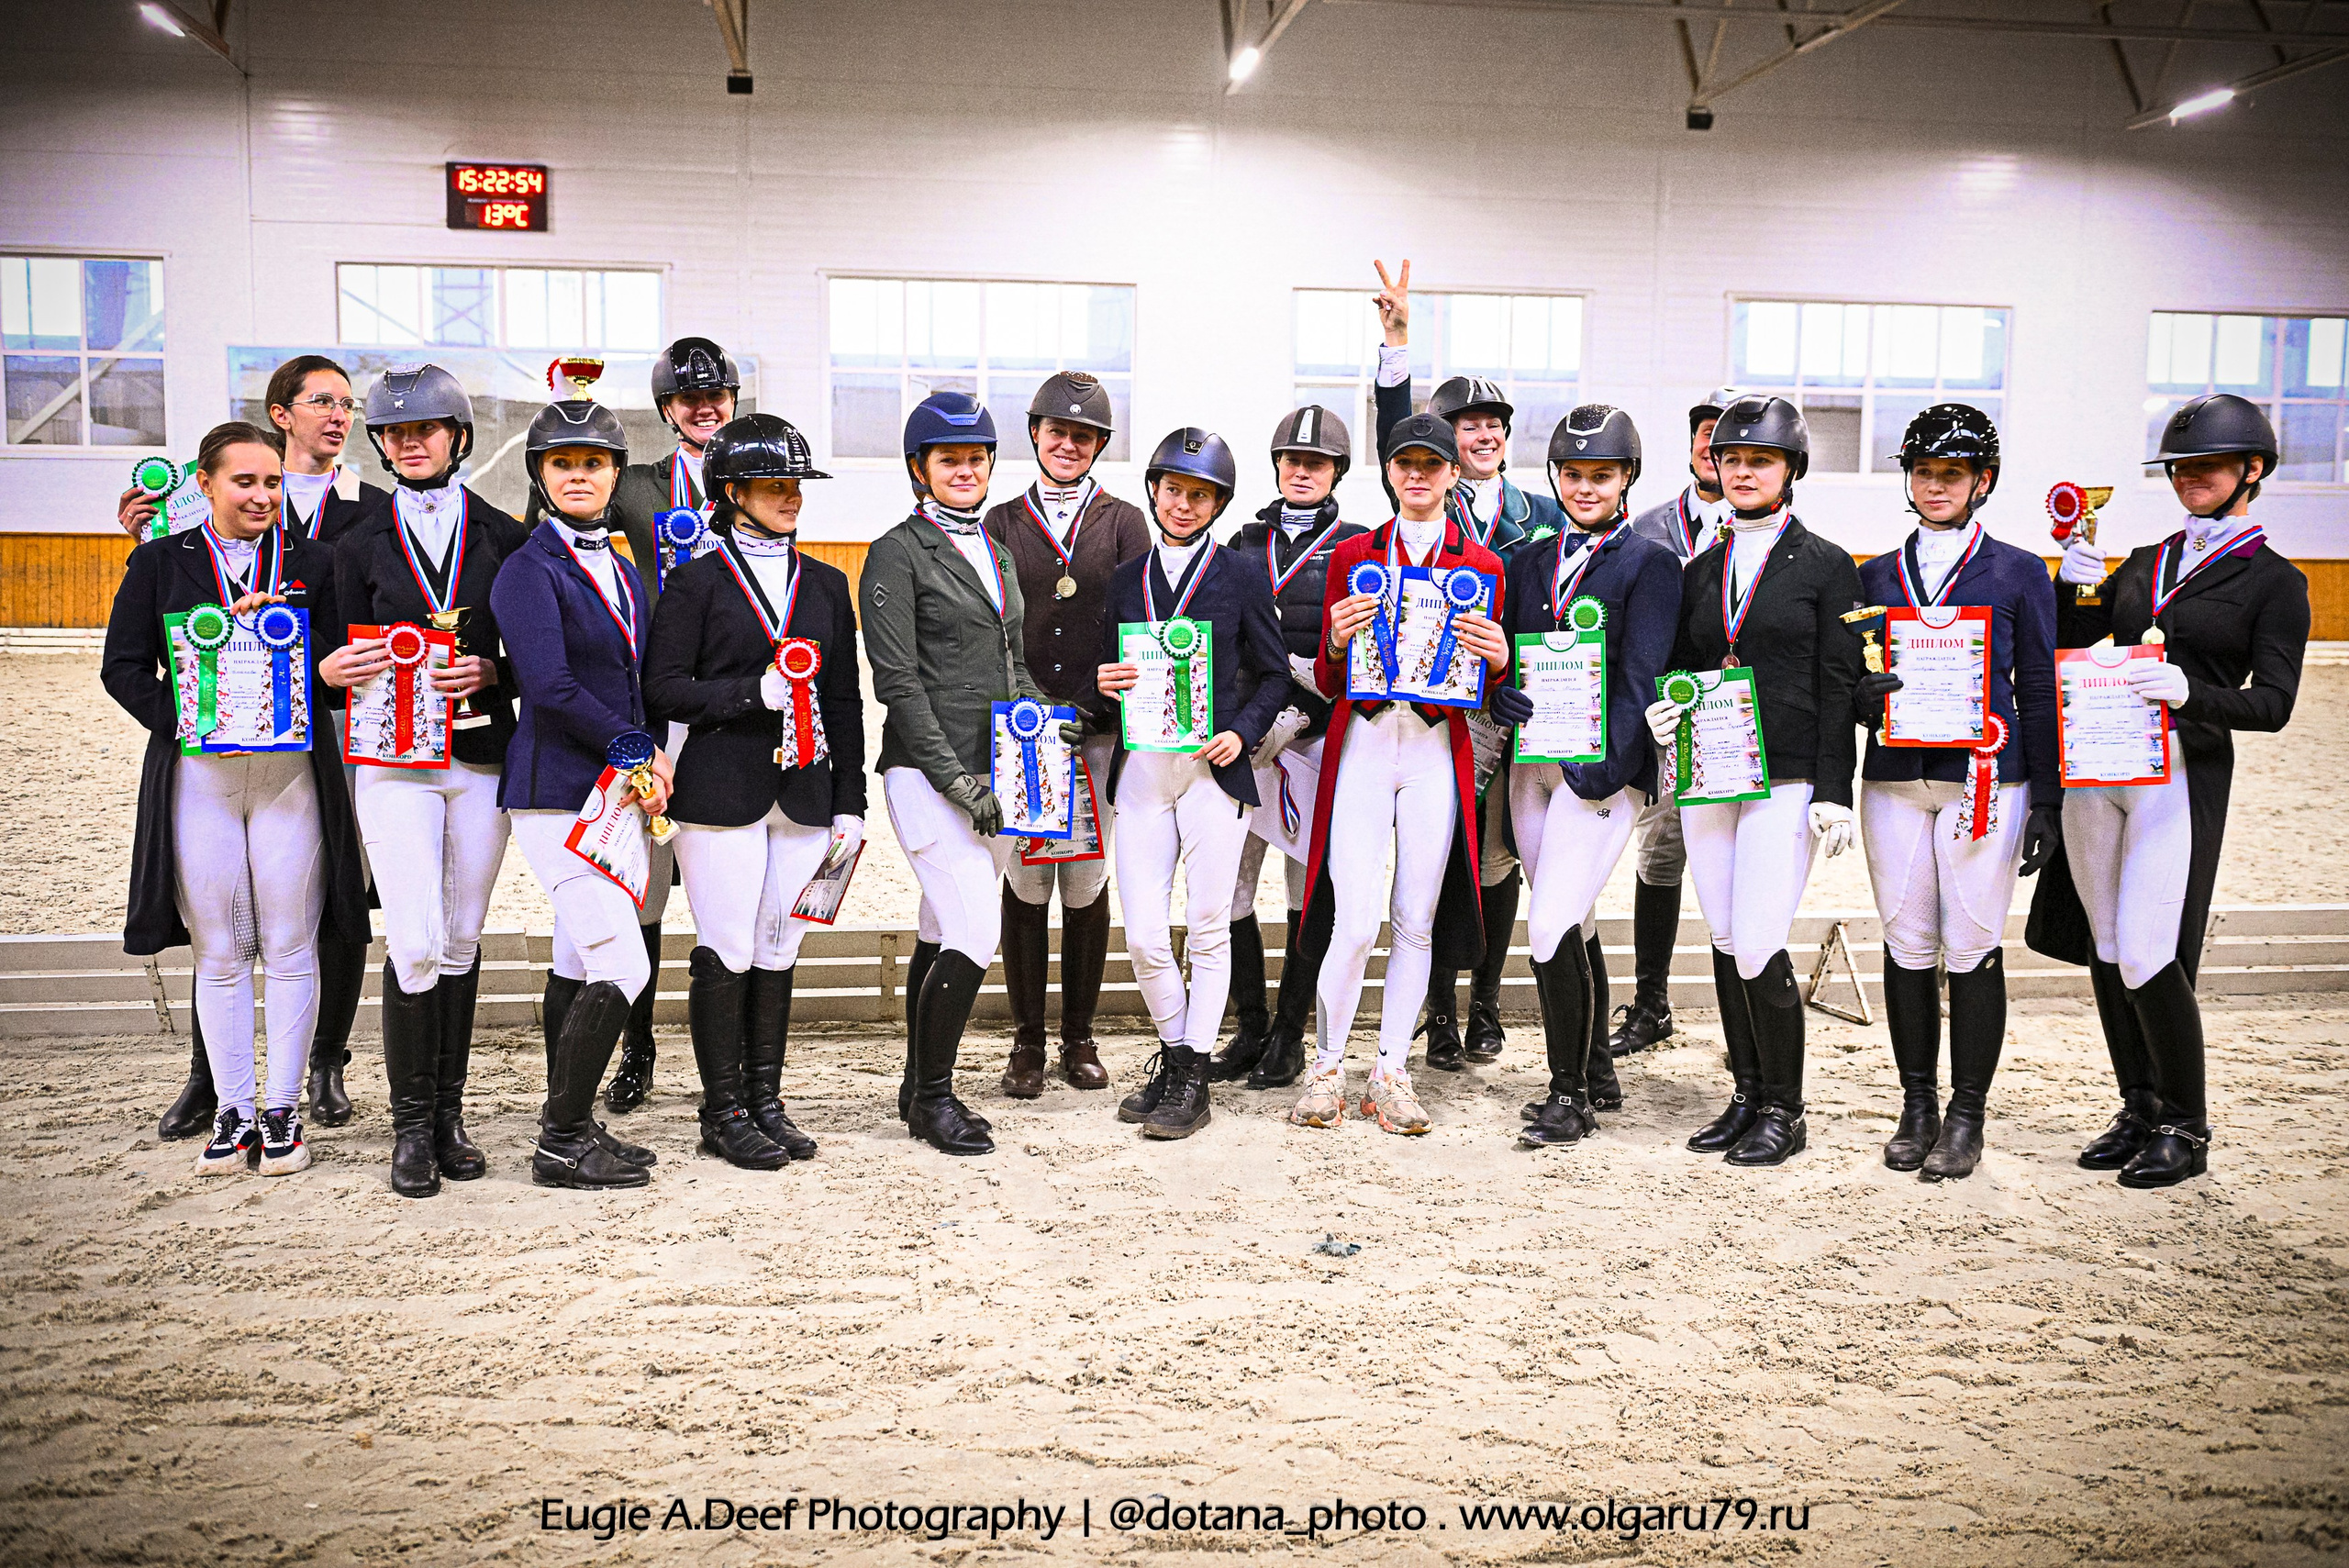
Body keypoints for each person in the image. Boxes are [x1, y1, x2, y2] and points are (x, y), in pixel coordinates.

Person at [2029, 394, 2308, 1188]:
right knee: (2109, 948)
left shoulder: (2273, 582)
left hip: (2178, 775)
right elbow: (2082, 650)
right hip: (2100, 770)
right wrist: (2074, 591)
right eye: (2180, 467)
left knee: (2152, 951)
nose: (2190, 478)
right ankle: (2140, 1104)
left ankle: (2188, 1125)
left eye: (2208, 465)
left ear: (2251, 472)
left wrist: (2192, 692)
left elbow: (2275, 704)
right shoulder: (2148, 559)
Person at [102, 421, 368, 1176]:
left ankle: (281, 1110)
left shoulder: (319, 562)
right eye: (243, 481)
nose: (260, 495)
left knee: (289, 945)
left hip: (290, 779)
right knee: (219, 952)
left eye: (272, 482)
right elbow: (121, 667)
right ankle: (231, 1110)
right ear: (207, 484)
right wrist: (189, 719)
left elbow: (341, 661)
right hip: (201, 780)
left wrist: (323, 673)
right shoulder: (158, 561)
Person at [520, 339, 742, 1118]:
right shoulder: (634, 484)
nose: (704, 407)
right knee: (634, 891)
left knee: (715, 877)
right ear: (665, 410)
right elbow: (553, 532)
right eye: (688, 398)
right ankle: (634, 1051)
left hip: (717, 703)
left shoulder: (751, 486)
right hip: (639, 706)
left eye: (716, 395)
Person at [323, 362, 528, 1197]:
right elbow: (325, 651)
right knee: (412, 938)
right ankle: (410, 1127)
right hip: (392, 764)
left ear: (458, 439)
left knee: (461, 938)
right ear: (380, 445)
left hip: (477, 760)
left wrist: (495, 669)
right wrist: (331, 668)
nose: (411, 443)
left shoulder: (507, 537)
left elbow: (536, 655)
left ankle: (448, 1113)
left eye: (425, 431)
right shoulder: (355, 545)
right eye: (396, 433)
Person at [1645, 395, 1864, 1167]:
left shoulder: (1830, 566)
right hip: (1711, 770)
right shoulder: (1701, 568)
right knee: (1730, 937)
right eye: (1732, 459)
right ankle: (1745, 1093)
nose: (1742, 471)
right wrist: (1663, 715)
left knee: (1761, 941)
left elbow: (1842, 685)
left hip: (1787, 775)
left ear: (1789, 469)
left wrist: (1837, 788)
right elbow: (1677, 665)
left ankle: (1785, 1108)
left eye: (1759, 460)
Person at [644, 414, 864, 1169]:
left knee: (780, 943)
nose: (791, 495)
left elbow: (843, 701)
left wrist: (851, 803)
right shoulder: (695, 581)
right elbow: (664, 686)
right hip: (720, 791)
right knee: (730, 945)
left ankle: (765, 1099)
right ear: (730, 490)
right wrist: (754, 692)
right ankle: (722, 1108)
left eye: (796, 483)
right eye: (775, 483)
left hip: (805, 791)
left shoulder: (830, 585)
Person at [1852, 406, 2061, 1181]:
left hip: (1987, 781)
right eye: (1923, 473)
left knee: (1971, 944)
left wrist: (2051, 796)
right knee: (1907, 944)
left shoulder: (2016, 570)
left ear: (1982, 482)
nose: (1934, 486)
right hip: (1896, 783)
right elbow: (1849, 683)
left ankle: (1967, 1112)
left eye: (1951, 474)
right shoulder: (1873, 575)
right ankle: (1917, 1103)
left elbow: (2037, 683)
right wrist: (1861, 698)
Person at [1292, 413, 1512, 1134]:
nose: (1417, 475)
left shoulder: (1483, 566)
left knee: (1415, 916)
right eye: (1404, 462)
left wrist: (1501, 658)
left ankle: (1390, 1070)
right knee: (1354, 919)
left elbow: (1479, 684)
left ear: (1454, 473)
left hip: (1432, 747)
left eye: (1431, 463)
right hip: (1362, 737)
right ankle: (1326, 1064)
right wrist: (1333, 636)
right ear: (1388, 472)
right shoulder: (1352, 553)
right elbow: (1329, 676)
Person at [1369, 260, 1564, 1073]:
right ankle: (1440, 1014)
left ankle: (1486, 1001)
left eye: (1493, 425)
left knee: (1499, 856)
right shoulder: (1423, 498)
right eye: (1465, 425)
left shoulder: (1545, 514)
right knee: (1443, 852)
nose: (1481, 435)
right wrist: (1397, 350)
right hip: (1442, 708)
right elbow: (1390, 433)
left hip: (1515, 708)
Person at [490, 389, 672, 1191]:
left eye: (592, 463)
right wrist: (637, 748)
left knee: (576, 955)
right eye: (561, 463)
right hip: (555, 787)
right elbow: (551, 687)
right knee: (621, 964)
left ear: (613, 475)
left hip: (611, 792)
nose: (577, 475)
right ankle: (562, 1138)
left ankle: (574, 1117)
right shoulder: (527, 571)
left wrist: (651, 758)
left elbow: (631, 680)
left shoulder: (626, 570)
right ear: (540, 473)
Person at [862, 392, 1047, 1157]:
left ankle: (915, 1084)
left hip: (998, 770)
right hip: (927, 774)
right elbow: (897, 684)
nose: (966, 471)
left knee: (941, 926)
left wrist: (1049, 721)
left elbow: (1013, 663)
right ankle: (936, 1097)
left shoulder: (997, 552)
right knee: (976, 927)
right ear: (920, 469)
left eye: (976, 459)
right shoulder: (896, 552)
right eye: (950, 459)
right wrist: (958, 783)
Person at [1093, 429, 1292, 1140]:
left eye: (1199, 494)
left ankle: (1191, 1076)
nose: (1183, 503)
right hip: (1144, 769)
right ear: (1154, 490)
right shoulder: (1126, 580)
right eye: (1173, 489)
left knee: (1208, 927)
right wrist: (1105, 683)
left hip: (1215, 767)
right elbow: (1111, 679)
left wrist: (1243, 729)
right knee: (1144, 933)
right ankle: (1180, 1052)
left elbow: (1274, 673)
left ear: (1217, 503)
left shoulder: (1240, 574)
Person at [1493, 406, 1680, 1147]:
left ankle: (1567, 1095)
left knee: (1548, 923)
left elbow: (1641, 675)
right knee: (1576, 920)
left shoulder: (1651, 562)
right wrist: (1496, 692)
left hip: (1601, 771)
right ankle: (1597, 1066)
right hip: (1533, 762)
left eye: (1600, 475)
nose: (1584, 487)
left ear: (1626, 477)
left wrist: (1604, 771)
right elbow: (1509, 654)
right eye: (1572, 474)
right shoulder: (1530, 561)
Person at [981, 373, 1150, 1098]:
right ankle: (1026, 1038)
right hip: (1023, 728)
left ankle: (1078, 1034)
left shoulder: (1125, 521)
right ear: (1036, 435)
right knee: (1026, 879)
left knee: (1083, 880)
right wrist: (1030, 707)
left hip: (1099, 723)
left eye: (1083, 435)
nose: (1069, 443)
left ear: (1100, 445)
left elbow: (1140, 618)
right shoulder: (999, 520)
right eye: (1056, 431)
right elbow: (986, 624)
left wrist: (1085, 705)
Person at [1211, 406, 1367, 1092]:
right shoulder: (1241, 542)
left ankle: (1289, 1031)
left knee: (1306, 886)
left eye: (1317, 462)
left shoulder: (1359, 545)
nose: (1302, 471)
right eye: (1292, 460)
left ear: (1336, 471)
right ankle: (1248, 1025)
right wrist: (1249, 721)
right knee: (1234, 884)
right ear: (1278, 465)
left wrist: (1303, 712)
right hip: (1249, 732)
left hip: (1317, 732)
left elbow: (1363, 651)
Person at [1610, 386, 1741, 1059]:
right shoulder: (1649, 525)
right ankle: (1652, 1001)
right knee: (1660, 854)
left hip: (1738, 720)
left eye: (1730, 440)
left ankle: (1744, 1022)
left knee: (1737, 868)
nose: (1713, 448)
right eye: (1704, 433)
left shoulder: (1770, 531)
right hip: (1669, 714)